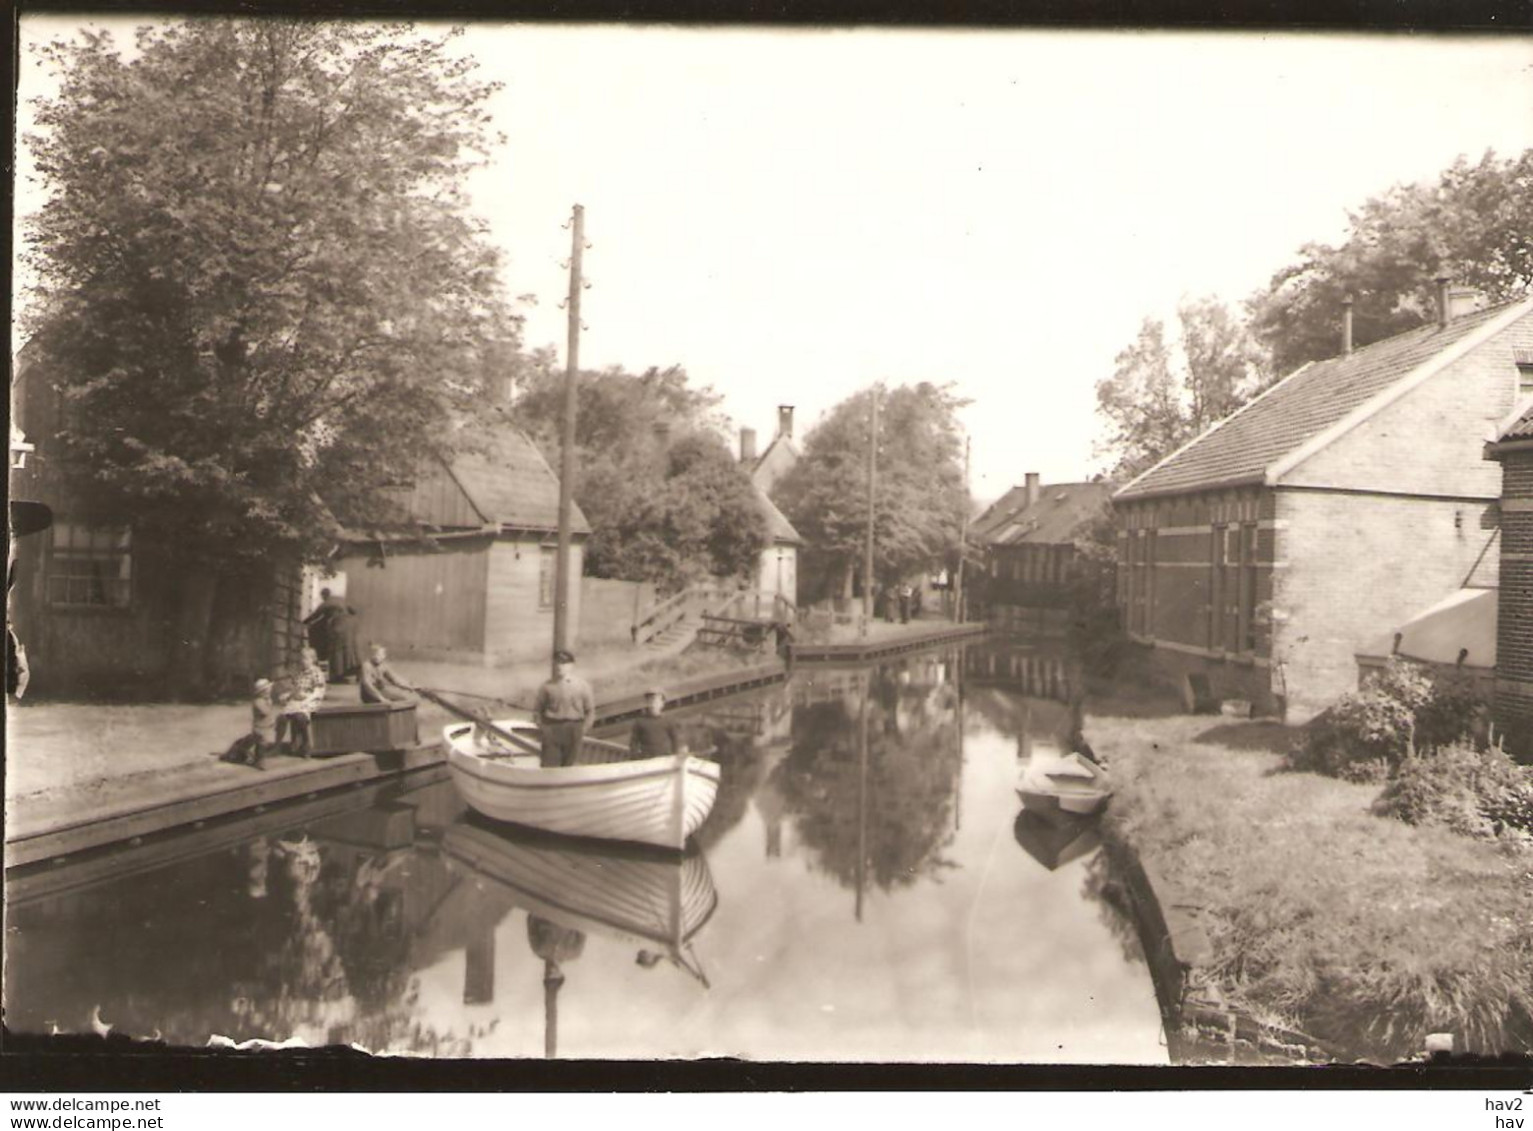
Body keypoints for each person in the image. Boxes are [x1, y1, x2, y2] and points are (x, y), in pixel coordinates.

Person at [534, 650, 595, 768]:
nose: (559, 667)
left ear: (571, 666)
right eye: (557, 663)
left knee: (570, 766)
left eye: (564, 664)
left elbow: (590, 710)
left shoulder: (582, 685)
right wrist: (543, 728)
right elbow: (537, 711)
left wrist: (583, 729)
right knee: (549, 767)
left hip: (574, 728)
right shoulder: (547, 687)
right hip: (552, 728)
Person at [220, 678, 279, 771]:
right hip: (259, 726)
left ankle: (250, 754)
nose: (269, 692)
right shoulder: (258, 702)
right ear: (262, 692)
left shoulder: (266, 700)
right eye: (267, 691)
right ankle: (260, 761)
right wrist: (269, 703)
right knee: (261, 742)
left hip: (266, 726)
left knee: (259, 742)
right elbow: (265, 712)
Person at [279, 646, 327, 757]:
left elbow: (319, 690)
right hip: (298, 699)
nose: (302, 661)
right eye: (301, 658)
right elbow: (296, 688)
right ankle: (284, 743)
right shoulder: (300, 672)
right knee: (283, 717)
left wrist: (307, 700)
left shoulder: (316, 672)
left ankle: (306, 743)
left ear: (312, 659)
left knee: (300, 716)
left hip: (311, 699)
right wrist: (287, 696)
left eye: (305, 658)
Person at [629, 690, 686, 759]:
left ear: (662, 704)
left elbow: (675, 741)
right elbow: (634, 743)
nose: (652, 704)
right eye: (650, 701)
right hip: (647, 759)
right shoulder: (640, 722)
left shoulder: (669, 721)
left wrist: (674, 757)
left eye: (656, 702)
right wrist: (636, 757)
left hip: (665, 760)